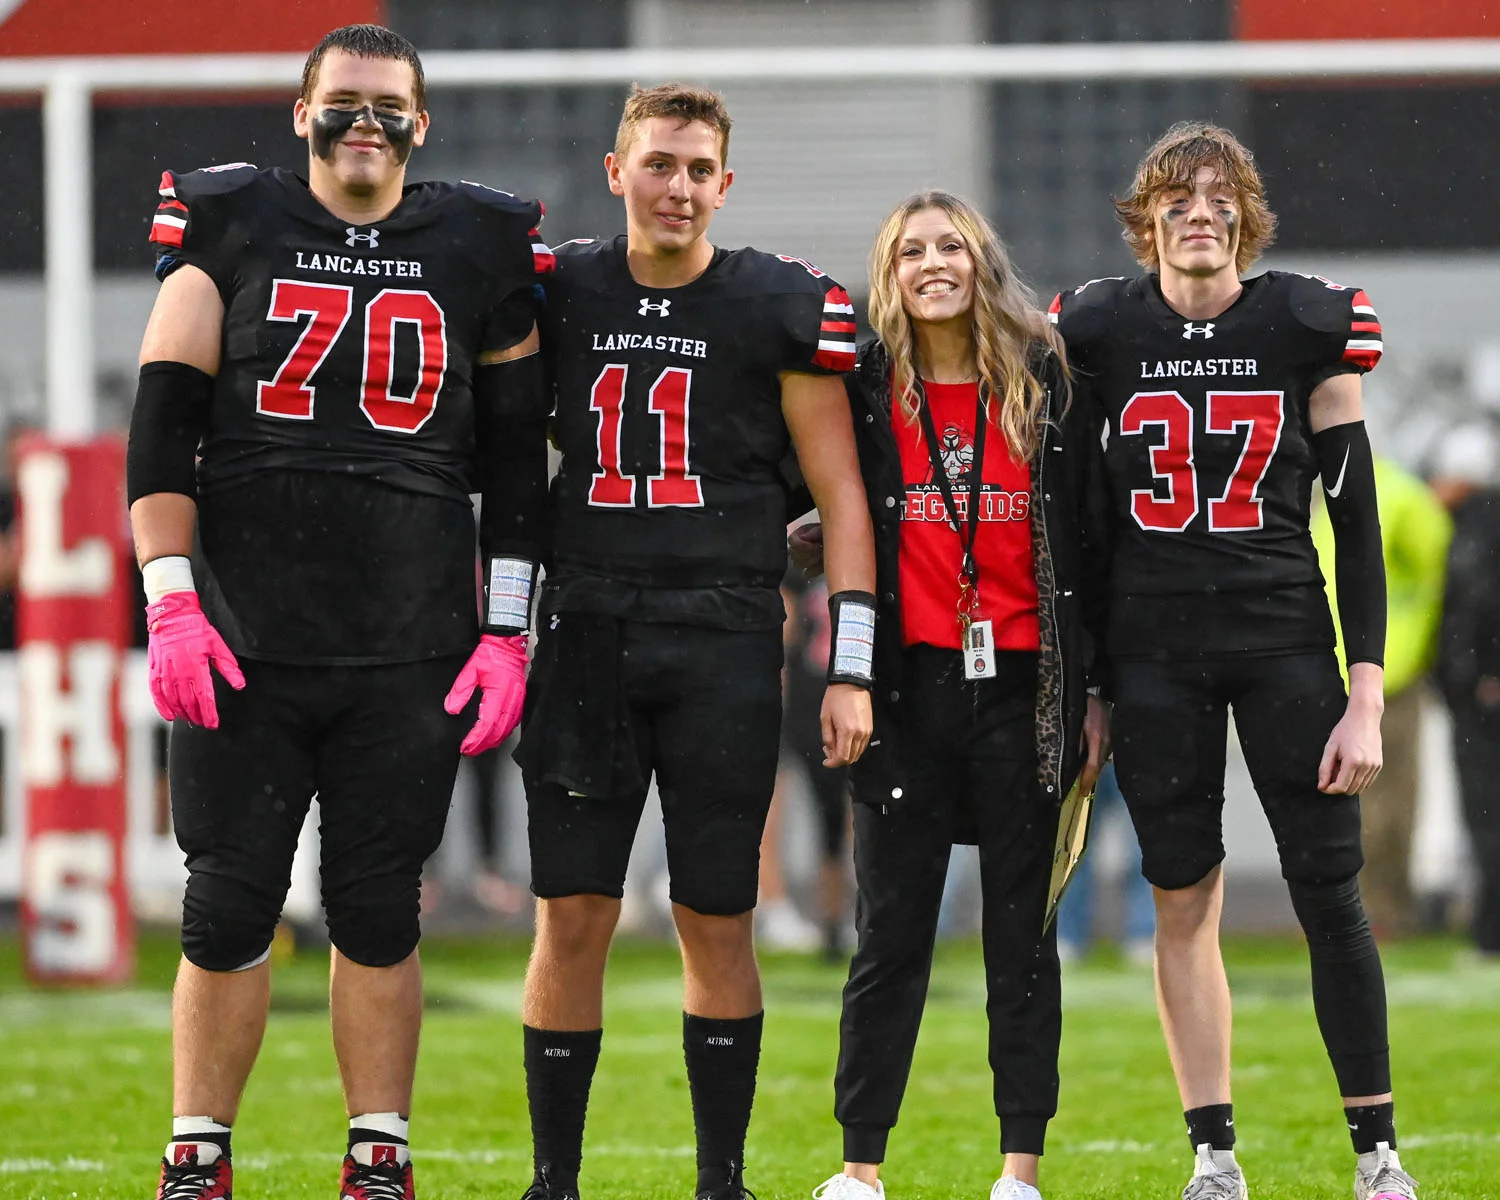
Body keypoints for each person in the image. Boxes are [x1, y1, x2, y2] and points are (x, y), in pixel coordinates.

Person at [130, 24, 550, 1200]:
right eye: (344, 101)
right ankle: (197, 1154)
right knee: (225, 905)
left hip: (407, 642)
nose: (366, 123)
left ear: (424, 124)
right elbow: (162, 430)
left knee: (379, 911)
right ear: (300, 110)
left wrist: (507, 628)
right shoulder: (232, 220)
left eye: (390, 106)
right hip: (244, 635)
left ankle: (378, 1155)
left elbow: (518, 465)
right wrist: (171, 603)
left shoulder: (477, 240)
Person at [514, 84, 876, 1200]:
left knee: (717, 916)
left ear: (726, 184)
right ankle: (554, 1181)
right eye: (658, 164)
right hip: (585, 628)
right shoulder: (560, 289)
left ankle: (723, 1181)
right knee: (572, 912)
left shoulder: (774, 302)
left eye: (697, 168)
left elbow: (844, 496)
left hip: (723, 630)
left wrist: (851, 660)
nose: (677, 187)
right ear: (617, 172)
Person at [1052, 122, 1418, 1200]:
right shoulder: (1099, 327)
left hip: (1285, 644)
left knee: (1330, 895)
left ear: (1246, 218)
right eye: (1177, 193)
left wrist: (1367, 698)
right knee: (1182, 897)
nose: (1198, 209)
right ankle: (1214, 1153)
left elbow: (1355, 529)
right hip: (1154, 654)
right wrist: (1090, 688)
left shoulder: (1306, 320)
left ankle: (1376, 1150)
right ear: (1145, 217)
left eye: (1220, 195)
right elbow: (1077, 526)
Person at [805, 190, 1109, 1200]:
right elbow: (828, 517)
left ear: (981, 259)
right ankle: (860, 1169)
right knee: (890, 938)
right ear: (888, 276)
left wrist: (1094, 692)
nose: (933, 263)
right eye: (910, 251)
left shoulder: (1047, 381)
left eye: (950, 246)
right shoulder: (864, 388)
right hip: (905, 690)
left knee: (1021, 940)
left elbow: (1093, 546)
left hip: (1028, 692)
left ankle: (1019, 1170)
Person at [1312, 457, 1452, 938]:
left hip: (1387, 672)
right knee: (1343, 797)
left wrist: (1416, 640)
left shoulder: (1400, 494)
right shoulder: (1317, 493)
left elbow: (1442, 569)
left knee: (1387, 802)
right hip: (1331, 668)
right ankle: (1352, 908)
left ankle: (1386, 910)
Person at [758, 569, 854, 958]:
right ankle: (775, 906)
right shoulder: (802, 566)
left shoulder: (873, 557)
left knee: (843, 820)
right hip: (802, 713)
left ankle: (839, 917)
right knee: (774, 808)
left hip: (852, 709)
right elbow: (782, 629)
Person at [1431, 421, 1500, 958]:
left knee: (1485, 812)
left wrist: (1479, 676)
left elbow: (1476, 607)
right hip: (1480, 689)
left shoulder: (1478, 528)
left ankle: (1491, 931)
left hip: (1483, 698)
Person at [1054, 761, 1155, 964]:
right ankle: (1066, 933)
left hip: (1136, 743)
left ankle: (1145, 931)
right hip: (1084, 743)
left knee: (1145, 842)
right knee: (1072, 843)